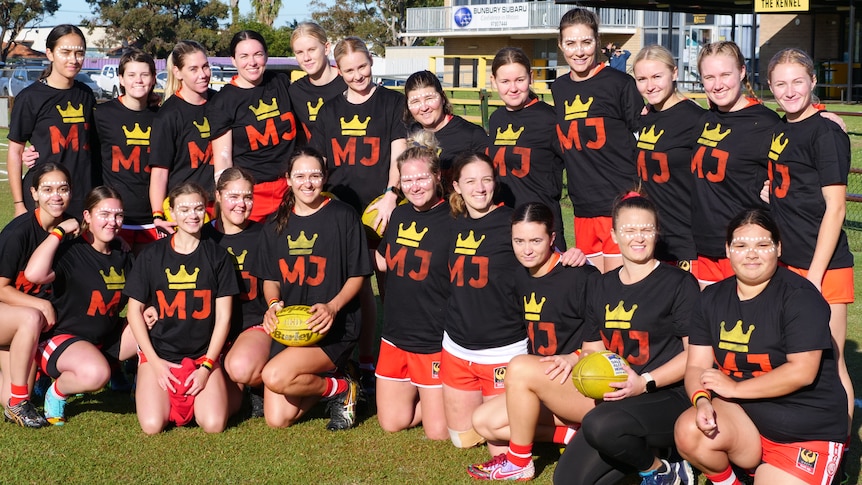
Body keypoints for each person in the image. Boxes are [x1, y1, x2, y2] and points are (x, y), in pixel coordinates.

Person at [674, 209, 847, 485]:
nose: (751, 254)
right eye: (741, 245)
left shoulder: (801, 297)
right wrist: (702, 399)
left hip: (804, 429)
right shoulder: (711, 298)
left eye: (762, 245)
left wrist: (735, 389)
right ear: (728, 250)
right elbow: (696, 364)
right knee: (689, 428)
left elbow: (802, 371)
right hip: (745, 423)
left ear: (778, 248)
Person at [467, 202, 599, 481]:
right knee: (483, 421)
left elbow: (607, 342)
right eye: (519, 240)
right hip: (543, 383)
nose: (526, 249)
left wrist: (573, 356)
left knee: (520, 367)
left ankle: (519, 461)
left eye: (536, 240)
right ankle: (573, 435)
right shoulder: (518, 275)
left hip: (583, 385)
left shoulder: (580, 276)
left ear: (552, 239)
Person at [309, 36, 407, 392]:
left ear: (372, 62)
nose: (358, 75)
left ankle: (399, 359)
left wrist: (392, 195)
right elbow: (319, 162)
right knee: (357, 287)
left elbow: (399, 154)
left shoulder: (392, 103)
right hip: (341, 213)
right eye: (349, 70)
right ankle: (363, 363)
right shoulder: (329, 110)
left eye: (363, 66)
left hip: (383, 208)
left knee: (392, 284)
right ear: (338, 69)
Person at [765, 48, 855, 427]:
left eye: (798, 81)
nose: (790, 91)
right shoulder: (781, 126)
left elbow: (836, 208)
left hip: (823, 267)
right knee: (796, 358)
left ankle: (842, 444)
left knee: (832, 361)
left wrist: (815, 276)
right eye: (781, 83)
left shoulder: (826, 131)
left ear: (814, 82)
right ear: (769, 86)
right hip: (789, 261)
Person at [254, 147, 371, 431]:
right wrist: (272, 305)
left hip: (335, 325)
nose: (308, 183)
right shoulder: (274, 224)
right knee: (277, 418)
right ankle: (339, 383)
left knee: (273, 375)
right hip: (294, 327)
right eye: (301, 176)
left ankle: (341, 387)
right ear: (288, 179)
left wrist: (333, 306)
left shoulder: (343, 216)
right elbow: (270, 278)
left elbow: (358, 275)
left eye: (315, 175)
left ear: (325, 177)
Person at [124, 182, 239, 434]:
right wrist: (154, 362)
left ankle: (235, 390)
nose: (193, 215)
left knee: (213, 424)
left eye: (198, 208)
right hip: (161, 355)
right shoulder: (152, 255)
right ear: (172, 213)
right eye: (184, 209)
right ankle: (140, 379)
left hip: (202, 357)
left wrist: (207, 367)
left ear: (206, 211)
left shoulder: (218, 257)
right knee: (153, 426)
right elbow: (134, 311)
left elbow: (224, 318)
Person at [23, 186, 136, 425]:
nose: (112, 222)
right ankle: (56, 392)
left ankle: (142, 388)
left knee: (157, 324)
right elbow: (33, 274)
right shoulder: (72, 250)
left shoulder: (123, 253)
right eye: (104, 214)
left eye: (118, 215)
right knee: (96, 374)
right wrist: (59, 232)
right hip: (61, 338)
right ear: (87, 216)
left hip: (103, 337)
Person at [441, 152, 526, 453]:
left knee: (498, 446)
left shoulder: (512, 222)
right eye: (471, 181)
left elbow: (545, 260)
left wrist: (571, 257)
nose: (479, 188)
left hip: (502, 348)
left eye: (486, 180)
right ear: (456, 186)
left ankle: (564, 428)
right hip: (457, 347)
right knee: (460, 440)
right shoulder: (450, 223)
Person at [552, 8, 643, 273]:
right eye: (570, 43)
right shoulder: (559, 89)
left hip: (620, 203)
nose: (578, 51)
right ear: (560, 45)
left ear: (597, 42)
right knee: (594, 290)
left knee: (621, 288)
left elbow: (644, 141)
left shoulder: (620, 84)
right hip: (583, 208)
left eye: (586, 42)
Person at [373, 132, 450, 440]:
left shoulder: (454, 218)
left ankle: (451, 400)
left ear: (437, 176)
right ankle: (430, 398)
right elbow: (382, 261)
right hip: (394, 335)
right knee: (391, 422)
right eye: (407, 180)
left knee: (439, 433)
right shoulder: (400, 213)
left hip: (432, 338)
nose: (415, 186)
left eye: (422, 178)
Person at [0, 164, 75, 428]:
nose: (56, 195)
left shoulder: (71, 228)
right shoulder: (17, 233)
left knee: (12, 390)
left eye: (63, 189)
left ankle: (18, 391)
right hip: (9, 316)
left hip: (21, 327)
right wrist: (39, 303)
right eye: (47, 189)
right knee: (31, 316)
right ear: (33, 193)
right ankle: (18, 405)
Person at [209, 30, 302, 222]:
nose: (252, 62)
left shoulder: (280, 82)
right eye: (244, 56)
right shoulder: (223, 101)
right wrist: (225, 205)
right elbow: (223, 160)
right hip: (252, 192)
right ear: (233, 60)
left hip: (291, 187)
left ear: (266, 56)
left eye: (258, 54)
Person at [7, 25, 97, 217]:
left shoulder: (86, 94)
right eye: (65, 52)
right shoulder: (30, 97)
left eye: (79, 53)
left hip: (83, 196)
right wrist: (18, 204)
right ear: (50, 53)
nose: (73, 59)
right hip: (47, 199)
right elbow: (15, 152)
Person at [488, 47, 567, 251]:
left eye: (519, 80)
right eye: (505, 81)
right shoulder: (496, 119)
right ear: (493, 81)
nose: (513, 88)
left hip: (540, 225)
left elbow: (580, 164)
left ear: (531, 78)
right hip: (504, 223)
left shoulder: (550, 118)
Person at [632, 45, 703, 268]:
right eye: (642, 79)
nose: (650, 86)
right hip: (652, 237)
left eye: (657, 76)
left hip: (686, 238)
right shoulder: (644, 118)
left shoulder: (695, 118)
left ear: (674, 73)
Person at [208, 167, 268, 417]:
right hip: (210, 331)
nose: (241, 204)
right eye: (234, 196)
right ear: (219, 196)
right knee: (219, 410)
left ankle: (258, 384)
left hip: (253, 323)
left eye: (247, 197)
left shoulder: (264, 235)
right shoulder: (200, 236)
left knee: (240, 368)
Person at [94, 48, 160, 253]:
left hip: (153, 220)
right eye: (131, 75)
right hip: (113, 219)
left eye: (144, 74)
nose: (138, 80)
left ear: (153, 78)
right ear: (121, 79)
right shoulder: (102, 115)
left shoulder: (163, 116)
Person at [149, 40, 216, 237]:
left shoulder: (219, 102)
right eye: (193, 69)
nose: (203, 74)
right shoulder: (168, 115)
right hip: (185, 207)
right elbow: (160, 171)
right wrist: (158, 216)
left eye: (205, 66)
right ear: (178, 72)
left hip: (216, 205)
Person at [403, 70, 487, 184]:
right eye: (415, 101)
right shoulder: (406, 135)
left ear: (442, 98)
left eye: (429, 99)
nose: (424, 107)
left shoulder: (472, 135)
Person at [288, 22, 347, 142]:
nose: (306, 57)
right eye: (299, 52)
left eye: (311, 50)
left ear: (326, 48)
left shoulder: (348, 83)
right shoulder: (295, 91)